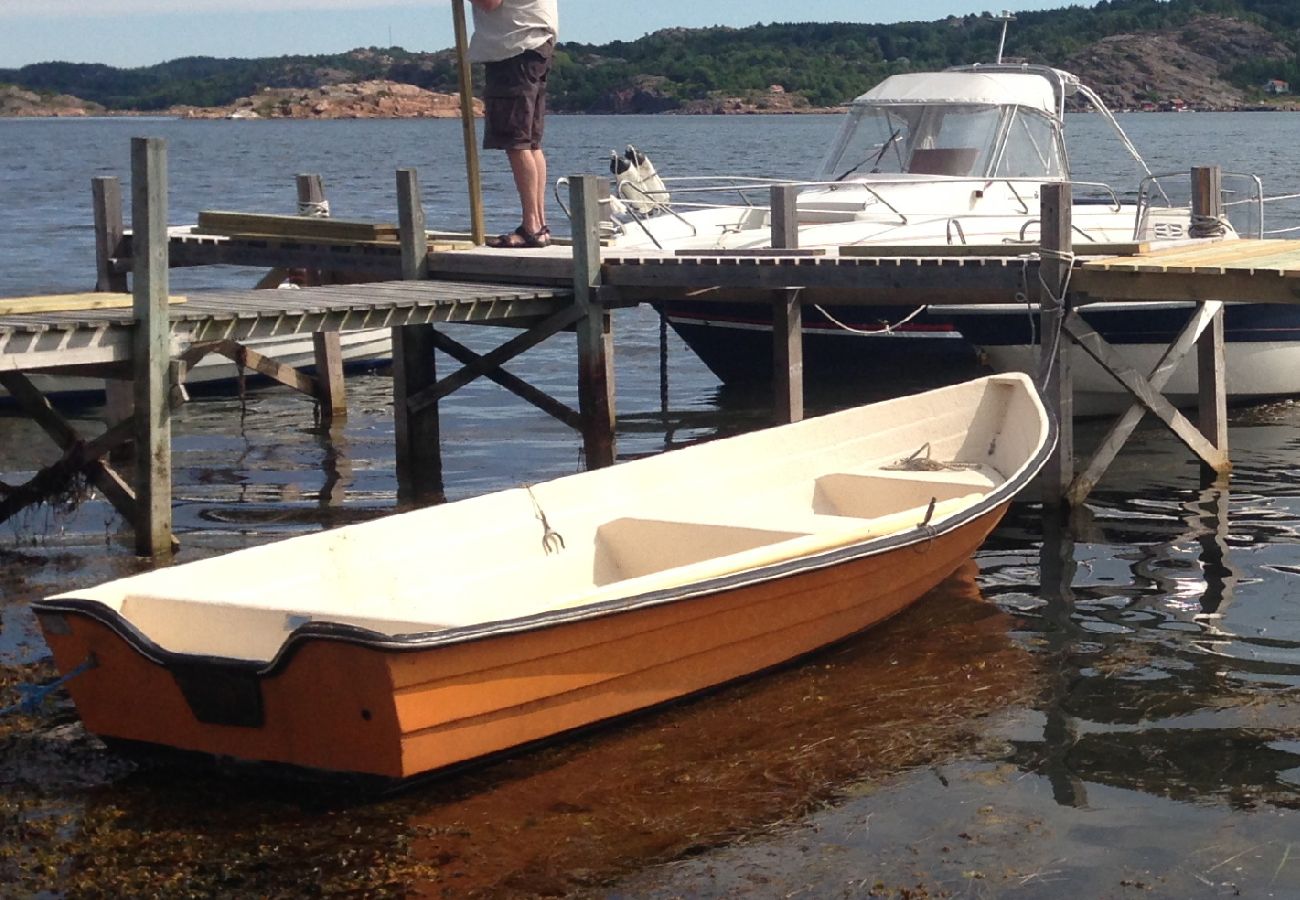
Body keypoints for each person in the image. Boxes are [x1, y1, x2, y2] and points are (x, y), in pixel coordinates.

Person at [468, 0, 558, 248]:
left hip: (515, 48)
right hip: (534, 45)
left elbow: (489, 3)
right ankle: (538, 226)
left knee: (517, 142)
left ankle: (532, 226)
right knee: (530, 143)